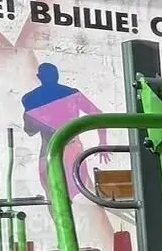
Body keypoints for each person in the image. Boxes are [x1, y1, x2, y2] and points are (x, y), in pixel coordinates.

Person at [20, 62, 107, 198]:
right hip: (68, 149)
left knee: (55, 195)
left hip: (51, 150)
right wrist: (102, 142)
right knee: (73, 193)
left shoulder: (31, 98)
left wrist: (103, 143)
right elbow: (98, 115)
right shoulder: (71, 94)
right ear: (57, 76)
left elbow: (30, 130)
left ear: (39, 77)